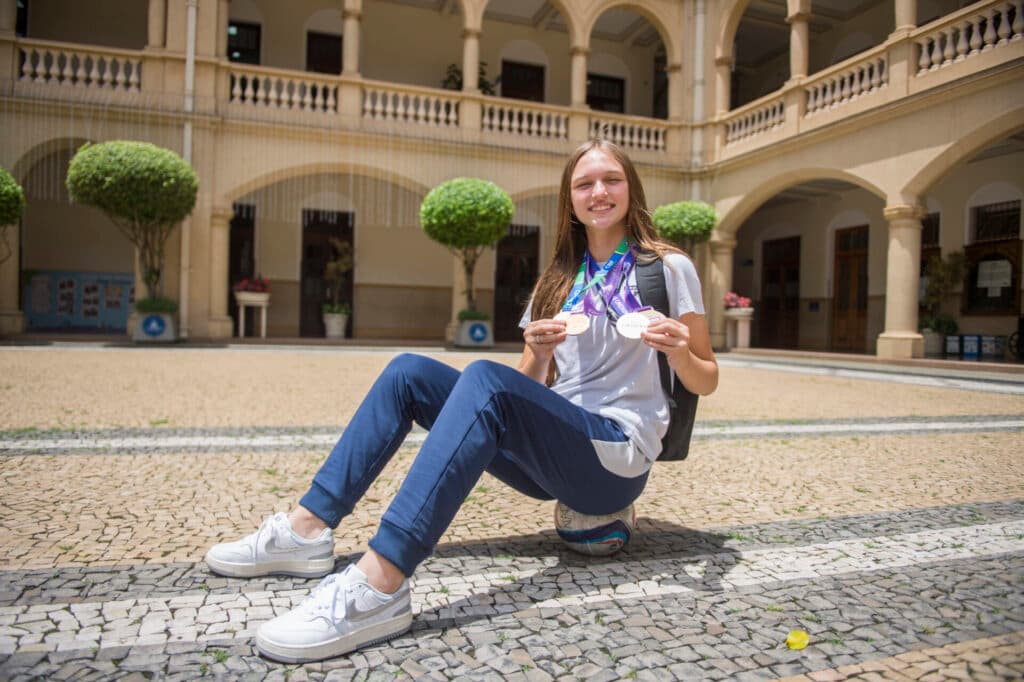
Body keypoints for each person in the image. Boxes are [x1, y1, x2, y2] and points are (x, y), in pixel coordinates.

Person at [205, 138, 719, 663]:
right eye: (584, 183)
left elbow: (706, 379)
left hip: (614, 456)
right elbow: (525, 387)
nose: (599, 192)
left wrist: (679, 352)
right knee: (408, 372)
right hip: (553, 451)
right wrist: (539, 358)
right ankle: (305, 530)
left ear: (631, 187)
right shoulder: (557, 281)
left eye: (611, 179)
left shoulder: (668, 268)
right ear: (570, 200)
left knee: (483, 379)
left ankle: (380, 583)